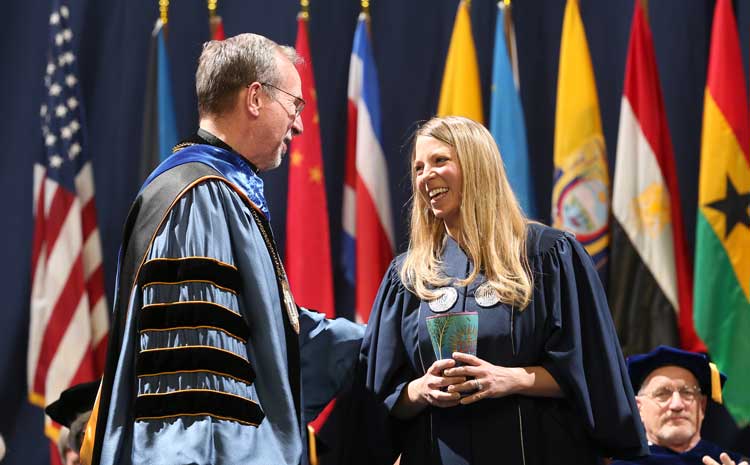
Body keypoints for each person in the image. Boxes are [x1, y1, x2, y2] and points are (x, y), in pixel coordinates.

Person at [79, 33, 363, 465]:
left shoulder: (219, 193)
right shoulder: (197, 199)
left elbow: (261, 341)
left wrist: (386, 336)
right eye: (295, 105)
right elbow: (198, 390)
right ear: (254, 98)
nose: (300, 124)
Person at [361, 116, 648, 464]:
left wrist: (509, 379)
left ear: (476, 165)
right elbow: (377, 401)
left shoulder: (547, 255)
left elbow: (593, 375)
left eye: (439, 161)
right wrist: (421, 389)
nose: (425, 176)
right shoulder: (408, 276)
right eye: (418, 167)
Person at [611, 345, 749, 465]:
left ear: (702, 406)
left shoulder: (734, 462)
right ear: (639, 408)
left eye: (687, 392)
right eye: (662, 394)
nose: (677, 405)